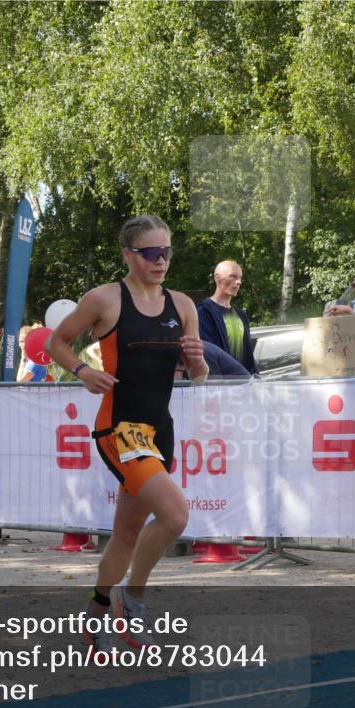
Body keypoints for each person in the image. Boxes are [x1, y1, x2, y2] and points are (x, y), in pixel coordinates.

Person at [48, 215, 208, 654]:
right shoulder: (104, 299)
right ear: (128, 254)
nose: (161, 261)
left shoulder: (184, 306)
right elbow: (55, 343)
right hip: (119, 427)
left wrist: (196, 361)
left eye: (167, 252)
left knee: (126, 531)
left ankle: (96, 613)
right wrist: (82, 371)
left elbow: (198, 376)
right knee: (176, 516)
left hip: (160, 428)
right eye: (151, 253)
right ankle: (131, 597)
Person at [197, 260, 259, 375]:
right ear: (217, 278)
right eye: (233, 277)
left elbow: (248, 354)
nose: (238, 282)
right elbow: (207, 354)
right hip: (220, 385)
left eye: (240, 278)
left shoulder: (241, 315)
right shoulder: (204, 312)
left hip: (243, 383)